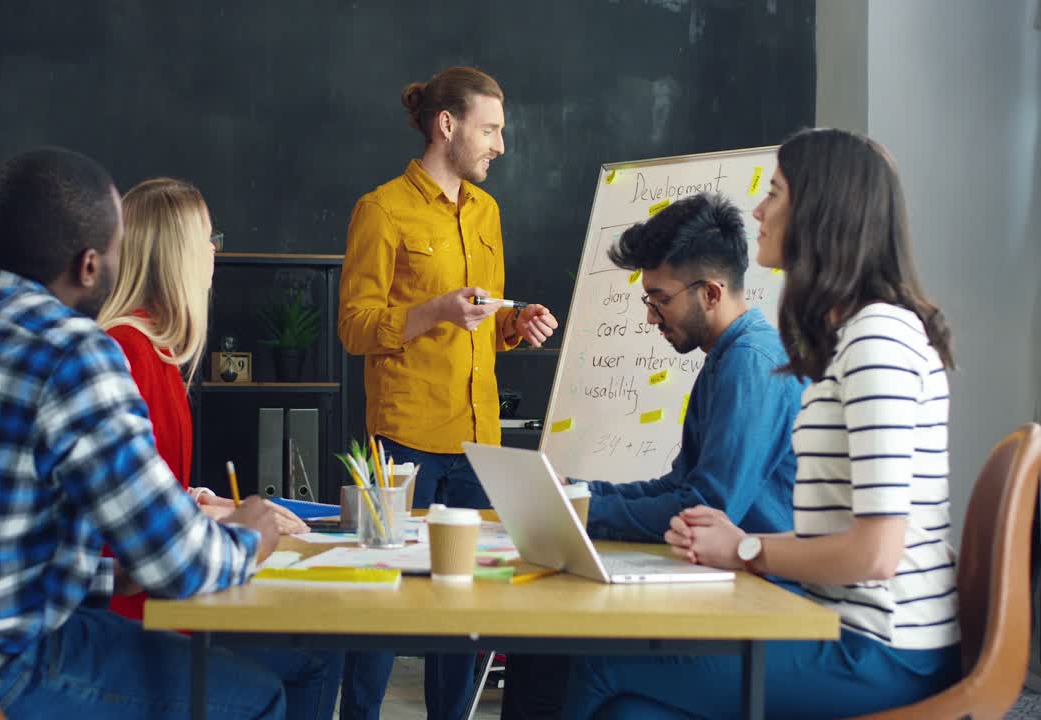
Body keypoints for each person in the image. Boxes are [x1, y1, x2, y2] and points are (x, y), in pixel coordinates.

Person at [0, 147, 333, 719]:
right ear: (90, 265)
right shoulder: (74, 353)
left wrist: (107, 572)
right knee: (258, 696)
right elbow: (184, 567)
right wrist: (251, 533)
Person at [563, 128, 961, 718]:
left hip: (880, 648)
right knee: (630, 710)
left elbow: (876, 555)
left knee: (600, 661)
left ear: (820, 211)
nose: (757, 210)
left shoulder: (878, 341)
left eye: (774, 193)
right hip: (835, 623)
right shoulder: (852, 339)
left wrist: (745, 549)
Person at [501, 192, 807, 720]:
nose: (649, 317)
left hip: (765, 599)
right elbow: (679, 485)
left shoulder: (750, 363)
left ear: (710, 293)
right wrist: (580, 494)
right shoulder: (727, 356)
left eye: (659, 300)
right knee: (541, 645)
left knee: (575, 655)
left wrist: (584, 511)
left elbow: (705, 509)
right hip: (726, 583)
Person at [337, 66, 558, 720]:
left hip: (477, 440)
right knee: (384, 600)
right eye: (490, 130)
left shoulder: (488, 212)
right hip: (404, 438)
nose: (500, 145)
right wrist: (433, 311)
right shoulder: (381, 210)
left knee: (463, 608)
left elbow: (484, 323)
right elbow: (354, 327)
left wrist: (516, 324)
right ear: (446, 126)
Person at [95, 176, 341, 719]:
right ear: (176, 254)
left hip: (156, 599)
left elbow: (143, 487)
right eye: (208, 238)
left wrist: (210, 502)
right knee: (314, 655)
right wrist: (226, 520)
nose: (214, 251)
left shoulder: (149, 349)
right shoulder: (127, 354)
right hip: (139, 619)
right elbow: (126, 525)